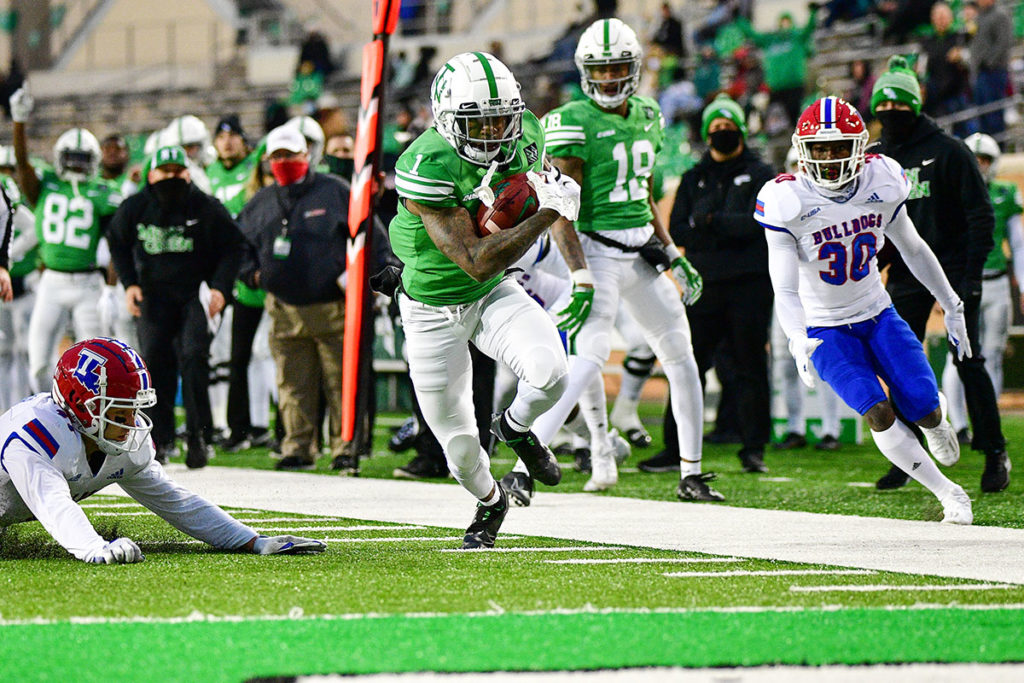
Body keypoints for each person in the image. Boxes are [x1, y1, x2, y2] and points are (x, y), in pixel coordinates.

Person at [389, 51, 580, 547]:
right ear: (447, 119)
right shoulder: (426, 162)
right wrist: (547, 214)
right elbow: (473, 257)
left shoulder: (528, 134)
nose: (495, 132)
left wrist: (551, 192)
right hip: (432, 307)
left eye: (502, 119)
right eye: (480, 122)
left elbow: (543, 185)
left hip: (491, 292)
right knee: (459, 450)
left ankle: (515, 428)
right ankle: (492, 500)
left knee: (552, 373)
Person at [758, 95, 973, 525]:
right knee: (877, 411)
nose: (831, 159)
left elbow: (913, 248)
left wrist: (952, 305)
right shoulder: (787, 200)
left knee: (925, 406)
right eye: (821, 149)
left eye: (840, 147)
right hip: (825, 328)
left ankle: (934, 421)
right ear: (804, 151)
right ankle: (950, 493)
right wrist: (797, 338)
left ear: (860, 147)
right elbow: (783, 287)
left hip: (877, 311)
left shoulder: (883, 179)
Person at [532, 19, 714, 501]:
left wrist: (673, 253)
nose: (610, 78)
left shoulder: (650, 114)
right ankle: (527, 459)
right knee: (590, 354)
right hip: (594, 250)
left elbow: (645, 195)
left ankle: (691, 473)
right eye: (601, 69)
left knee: (680, 353)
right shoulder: (572, 120)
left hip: (640, 254)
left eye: (618, 68)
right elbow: (558, 209)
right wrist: (579, 272)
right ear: (585, 71)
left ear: (633, 68)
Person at [0, 337, 325, 564]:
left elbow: (176, 502)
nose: (131, 424)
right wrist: (94, 548)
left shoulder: (115, 441)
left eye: (132, 410)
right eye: (119, 413)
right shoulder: (37, 432)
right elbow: (53, 504)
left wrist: (252, 541)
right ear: (81, 408)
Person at [868, 57, 1010, 493]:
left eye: (898, 109)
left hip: (952, 272)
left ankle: (994, 450)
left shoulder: (950, 152)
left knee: (968, 360)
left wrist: (968, 277)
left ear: (915, 107)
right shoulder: (879, 157)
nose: (890, 118)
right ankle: (906, 454)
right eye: (882, 111)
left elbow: (980, 217)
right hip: (905, 277)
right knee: (898, 364)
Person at [642, 94, 775, 477]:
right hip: (702, 286)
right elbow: (678, 229)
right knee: (686, 365)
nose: (722, 132)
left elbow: (757, 224)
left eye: (728, 126)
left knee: (751, 367)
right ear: (706, 133)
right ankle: (674, 448)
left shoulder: (762, 173)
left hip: (750, 286)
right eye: (715, 127)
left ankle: (753, 449)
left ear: (741, 129)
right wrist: (722, 224)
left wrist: (711, 221)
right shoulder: (692, 176)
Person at [237, 127, 368, 471]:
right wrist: (251, 274)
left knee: (340, 381)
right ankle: (297, 446)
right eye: (277, 156)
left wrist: (364, 278)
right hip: (282, 307)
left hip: (332, 306)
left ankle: (345, 448)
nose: (283, 162)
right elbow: (237, 246)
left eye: (290, 155)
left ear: (306, 155)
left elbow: (368, 234)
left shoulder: (335, 191)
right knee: (292, 383)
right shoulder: (261, 201)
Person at [106, 145, 244, 469]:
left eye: (176, 171)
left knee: (194, 357)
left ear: (187, 173)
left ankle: (198, 435)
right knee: (154, 361)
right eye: (164, 171)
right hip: (153, 294)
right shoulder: (136, 206)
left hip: (194, 293)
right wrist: (130, 284)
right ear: (151, 175)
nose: (170, 177)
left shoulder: (206, 206)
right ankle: (161, 438)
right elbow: (116, 240)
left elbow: (234, 246)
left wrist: (221, 288)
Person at [9, 86, 123, 394]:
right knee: (39, 363)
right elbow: (22, 164)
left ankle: (92, 425)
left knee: (96, 365)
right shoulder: (44, 185)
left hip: (88, 284)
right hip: (52, 282)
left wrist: (111, 288)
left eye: (81, 159)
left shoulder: (102, 192)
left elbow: (117, 244)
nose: (75, 165)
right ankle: (55, 417)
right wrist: (19, 122)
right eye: (71, 158)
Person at [941, 133, 1024, 443]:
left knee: (992, 354)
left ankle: (986, 423)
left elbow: (1017, 243)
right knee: (956, 354)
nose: (979, 165)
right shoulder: (951, 193)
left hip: (997, 282)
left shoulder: (1004, 193)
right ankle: (960, 425)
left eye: (984, 159)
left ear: (993, 163)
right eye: (974, 159)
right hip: (961, 283)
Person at [206, 114, 276, 454]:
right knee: (229, 354)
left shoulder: (254, 167)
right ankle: (231, 424)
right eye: (221, 136)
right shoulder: (208, 172)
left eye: (234, 136)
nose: (228, 142)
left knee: (266, 351)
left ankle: (263, 423)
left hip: (257, 264)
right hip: (223, 268)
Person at [736, 7, 819, 128]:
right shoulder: (770, 40)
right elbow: (752, 34)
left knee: (795, 117)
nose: (785, 25)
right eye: (783, 22)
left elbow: (809, 28)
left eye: (787, 22)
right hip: (775, 87)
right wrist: (739, 19)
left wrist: (813, 12)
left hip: (794, 86)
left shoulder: (797, 37)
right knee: (769, 116)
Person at [969, 0, 1013, 137]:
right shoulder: (979, 17)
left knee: (993, 113)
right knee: (982, 114)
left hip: (994, 72)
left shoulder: (1000, 15)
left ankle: (998, 146)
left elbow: (1003, 42)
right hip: (981, 72)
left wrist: (989, 62)